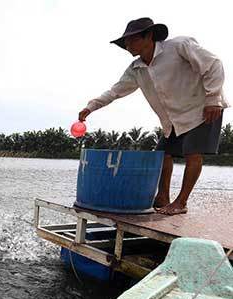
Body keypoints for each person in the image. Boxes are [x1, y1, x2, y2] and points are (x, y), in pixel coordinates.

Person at [78, 17, 228, 215]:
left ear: (148, 36)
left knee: (193, 152)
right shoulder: (136, 69)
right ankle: (163, 196)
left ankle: (181, 202)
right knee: (162, 154)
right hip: (173, 119)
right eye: (125, 42)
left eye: (132, 40)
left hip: (203, 109)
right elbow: (115, 91)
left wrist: (213, 99)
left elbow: (213, 64)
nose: (127, 45)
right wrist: (91, 107)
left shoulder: (179, 46)